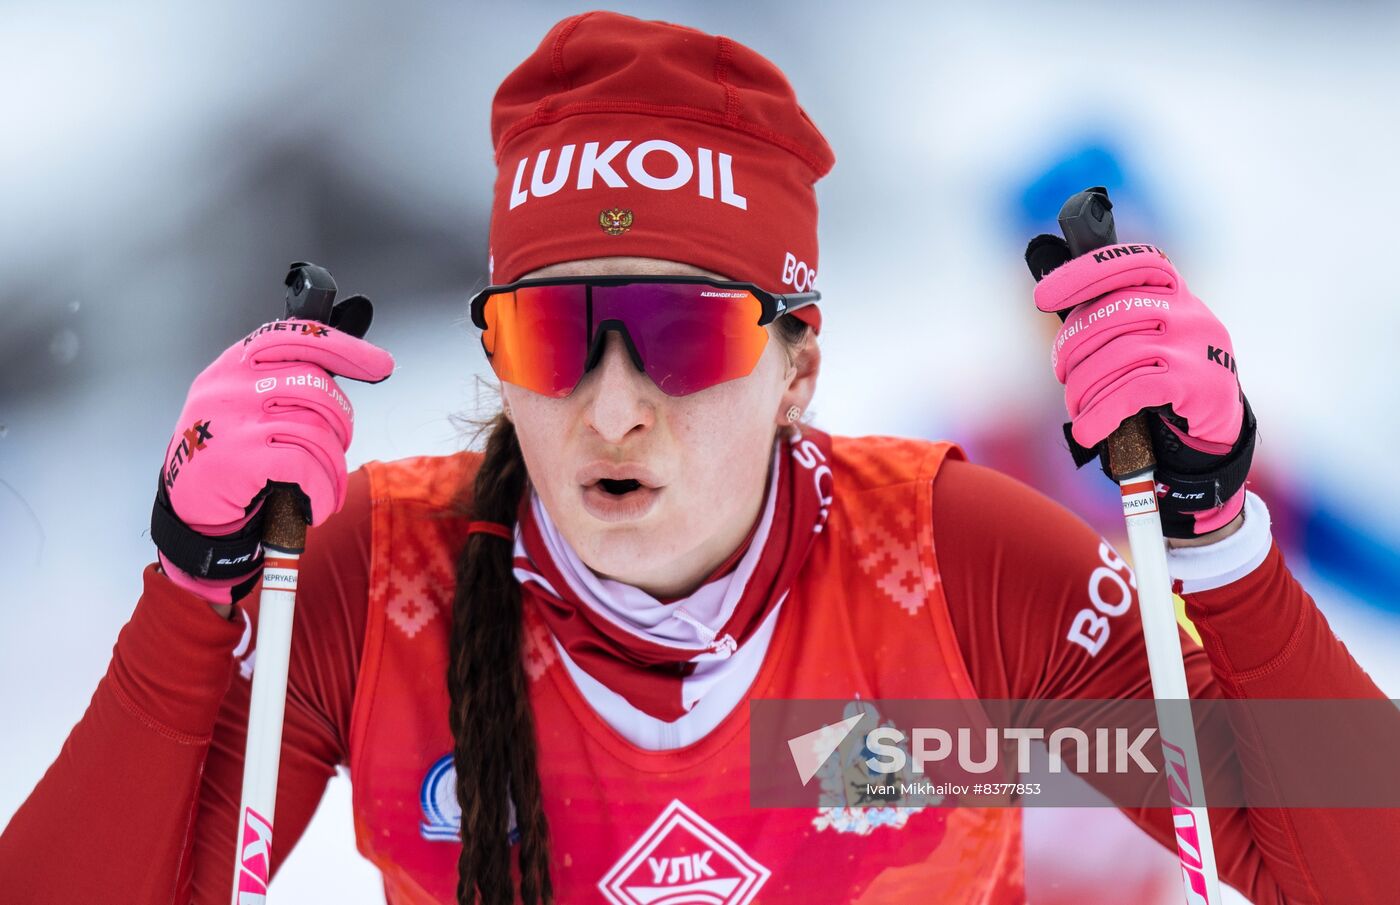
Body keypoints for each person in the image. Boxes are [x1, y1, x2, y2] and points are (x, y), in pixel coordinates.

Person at [1, 10, 1396, 905]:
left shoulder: (946, 545)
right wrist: (190, 602)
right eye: (554, 334)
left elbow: (1359, 839)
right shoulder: (385, 579)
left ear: (799, 366)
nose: (614, 408)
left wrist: (1220, 542)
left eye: (682, 332)